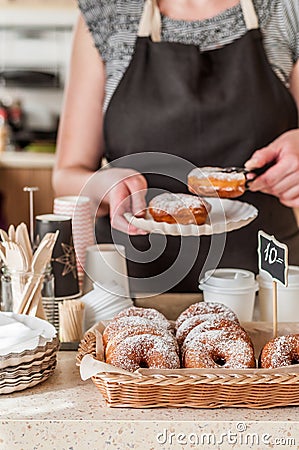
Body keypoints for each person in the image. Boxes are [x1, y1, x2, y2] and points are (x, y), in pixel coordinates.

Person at [53, 0, 299, 294]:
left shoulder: (287, 10)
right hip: (131, 287)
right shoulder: (107, 13)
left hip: (263, 286)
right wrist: (103, 183)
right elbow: (66, 176)